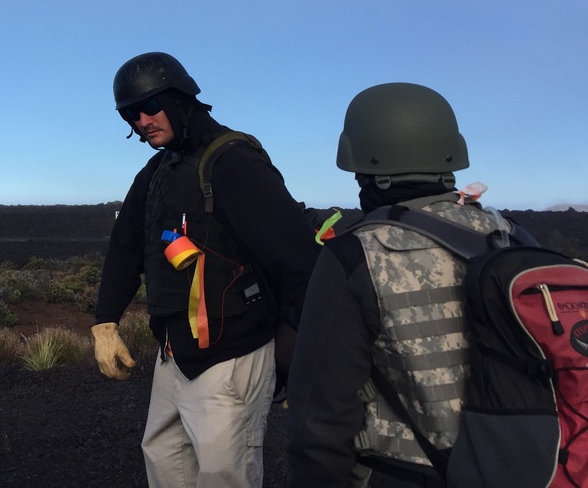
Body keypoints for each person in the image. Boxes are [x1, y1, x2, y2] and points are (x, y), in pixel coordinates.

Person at [92, 51, 319, 488]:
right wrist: (105, 322)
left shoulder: (233, 161)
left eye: (150, 106)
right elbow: (126, 246)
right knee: (164, 462)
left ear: (179, 98)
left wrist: (307, 366)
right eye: (130, 115)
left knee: (223, 476)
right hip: (173, 353)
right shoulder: (158, 170)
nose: (141, 121)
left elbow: (296, 261)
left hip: (232, 356)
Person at [286, 82, 499, 487]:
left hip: (404, 473)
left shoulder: (358, 253)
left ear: (366, 167)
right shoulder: (510, 237)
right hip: (522, 465)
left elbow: (319, 416)